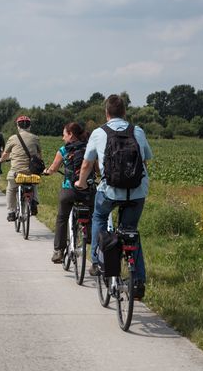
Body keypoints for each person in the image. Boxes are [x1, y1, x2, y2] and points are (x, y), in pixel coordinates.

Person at [75, 94, 153, 300]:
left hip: (110, 191)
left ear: (106, 113)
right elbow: (146, 161)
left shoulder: (99, 133)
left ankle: (97, 260)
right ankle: (137, 282)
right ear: (125, 112)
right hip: (137, 192)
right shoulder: (137, 131)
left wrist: (81, 183)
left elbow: (86, 164)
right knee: (131, 232)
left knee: (99, 217)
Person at [43, 123, 91, 263]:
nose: (62, 137)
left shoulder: (63, 150)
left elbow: (53, 168)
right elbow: (97, 169)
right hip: (86, 190)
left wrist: (46, 172)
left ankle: (58, 251)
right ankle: (92, 241)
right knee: (93, 213)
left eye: (64, 134)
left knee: (62, 218)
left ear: (70, 134)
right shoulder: (88, 148)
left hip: (69, 190)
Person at [0, 115, 42, 221]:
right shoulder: (35, 138)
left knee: (11, 189)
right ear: (29, 126)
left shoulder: (13, 138)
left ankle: (11, 212)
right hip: (31, 172)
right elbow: (40, 155)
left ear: (18, 126)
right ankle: (34, 202)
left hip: (16, 172)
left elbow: (5, 154)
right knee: (34, 182)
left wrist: (0, 160)